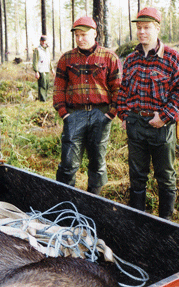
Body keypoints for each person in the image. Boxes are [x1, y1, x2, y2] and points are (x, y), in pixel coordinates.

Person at [117, 7, 179, 219]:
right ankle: (138, 221)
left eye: (146, 27)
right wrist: (124, 115)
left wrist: (165, 116)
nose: (141, 32)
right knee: (137, 175)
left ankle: (165, 223)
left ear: (157, 29)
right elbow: (123, 90)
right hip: (136, 125)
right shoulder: (131, 59)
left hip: (161, 126)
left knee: (165, 176)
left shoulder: (172, 58)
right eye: (139, 28)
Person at [53, 16, 122, 195]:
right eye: (77, 35)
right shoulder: (66, 59)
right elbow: (59, 88)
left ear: (95, 33)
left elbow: (118, 89)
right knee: (68, 163)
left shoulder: (109, 57)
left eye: (84, 34)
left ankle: (94, 202)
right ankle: (64, 203)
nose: (80, 39)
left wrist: (111, 114)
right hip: (74, 115)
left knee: (97, 163)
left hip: (101, 114)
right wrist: (64, 113)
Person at [32, 35, 55, 102]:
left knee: (47, 85)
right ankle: (42, 100)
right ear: (40, 41)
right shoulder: (37, 50)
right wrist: (36, 71)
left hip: (46, 69)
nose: (43, 42)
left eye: (45, 41)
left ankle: (44, 98)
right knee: (42, 85)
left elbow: (49, 60)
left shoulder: (47, 50)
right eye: (42, 41)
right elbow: (35, 61)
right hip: (40, 70)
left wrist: (52, 69)